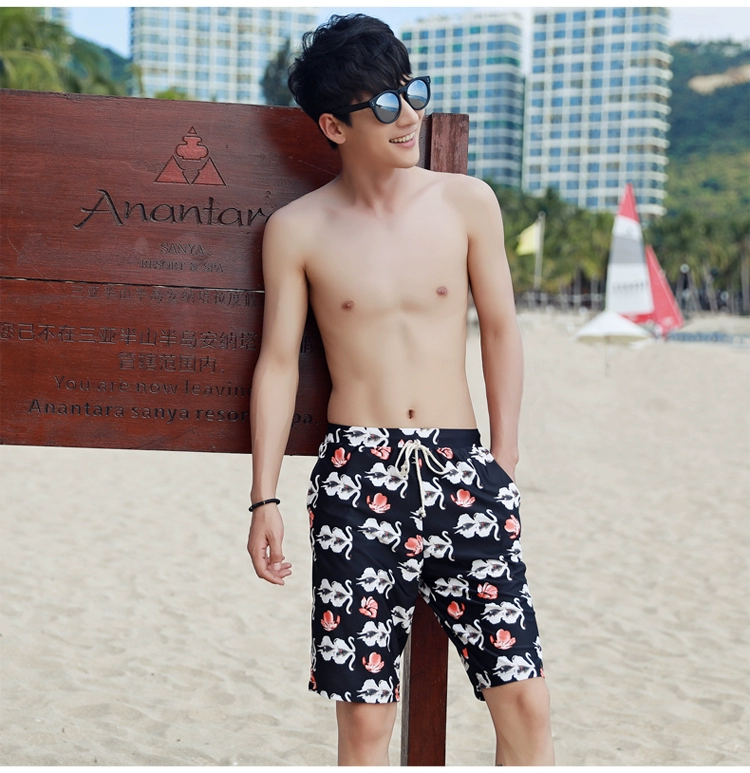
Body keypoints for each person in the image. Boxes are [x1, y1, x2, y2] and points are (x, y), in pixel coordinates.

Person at [247, 13, 554, 766]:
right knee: (365, 719)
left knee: (523, 696)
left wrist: (504, 457)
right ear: (333, 126)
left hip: (464, 469)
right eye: (384, 104)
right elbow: (278, 362)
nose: (408, 115)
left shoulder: (467, 202)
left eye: (412, 92)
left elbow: (501, 330)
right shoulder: (298, 228)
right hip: (358, 475)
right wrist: (263, 497)